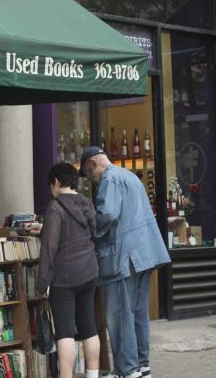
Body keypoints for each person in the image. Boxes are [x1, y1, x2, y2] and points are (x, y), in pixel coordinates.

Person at [79, 147, 171, 378]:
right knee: (138, 312)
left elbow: (107, 214)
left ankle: (126, 370)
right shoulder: (128, 176)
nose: (91, 180)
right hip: (144, 253)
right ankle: (142, 365)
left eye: (88, 175)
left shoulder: (109, 179)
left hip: (123, 256)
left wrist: (88, 227)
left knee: (119, 315)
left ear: (92, 164)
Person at [37, 162, 101, 378]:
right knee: (89, 327)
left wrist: (42, 283)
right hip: (89, 272)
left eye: (50, 185)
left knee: (64, 332)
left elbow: (49, 247)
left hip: (64, 277)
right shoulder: (87, 203)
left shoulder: (55, 207)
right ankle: (93, 375)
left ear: (56, 182)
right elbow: (95, 235)